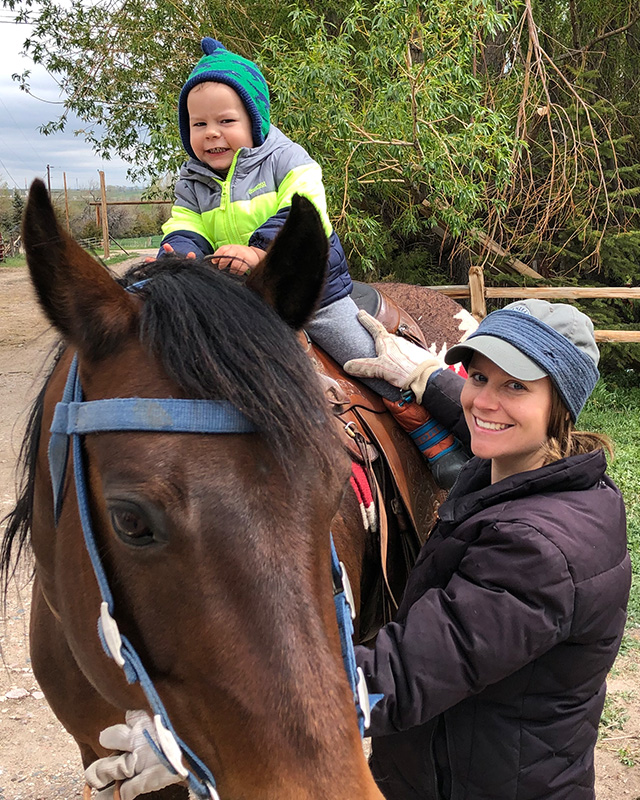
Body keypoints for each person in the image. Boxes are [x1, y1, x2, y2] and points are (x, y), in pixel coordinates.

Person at [344, 299, 631, 800]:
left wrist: (230, 702)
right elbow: (477, 411)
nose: (484, 402)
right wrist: (427, 376)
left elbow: (402, 680)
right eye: (478, 377)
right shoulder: (541, 471)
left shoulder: (535, 553)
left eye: (515, 385)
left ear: (561, 405)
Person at [156, 36, 467, 487]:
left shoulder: (286, 159)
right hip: (238, 297)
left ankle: (427, 431)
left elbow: (306, 210)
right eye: (198, 123)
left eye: (226, 120)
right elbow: (185, 224)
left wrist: (261, 250)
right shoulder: (192, 181)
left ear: (255, 120)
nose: (212, 133)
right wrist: (181, 253)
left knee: (363, 356)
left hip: (307, 288)